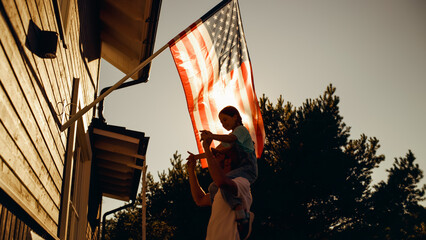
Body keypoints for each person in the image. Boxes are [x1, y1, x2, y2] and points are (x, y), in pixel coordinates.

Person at [190, 106, 258, 232]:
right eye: (221, 122)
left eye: (225, 120)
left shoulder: (241, 130)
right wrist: (196, 157)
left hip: (248, 168)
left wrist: (212, 136)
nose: (223, 124)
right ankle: (229, 205)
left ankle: (239, 209)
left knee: (222, 181)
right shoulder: (229, 137)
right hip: (239, 171)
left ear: (235, 117)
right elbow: (216, 151)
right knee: (214, 187)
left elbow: (230, 139)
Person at [187, 137, 254, 240]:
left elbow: (222, 182)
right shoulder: (219, 191)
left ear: (228, 161)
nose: (214, 156)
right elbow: (199, 199)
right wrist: (191, 170)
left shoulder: (242, 182)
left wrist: (206, 148)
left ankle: (242, 215)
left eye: (218, 154)